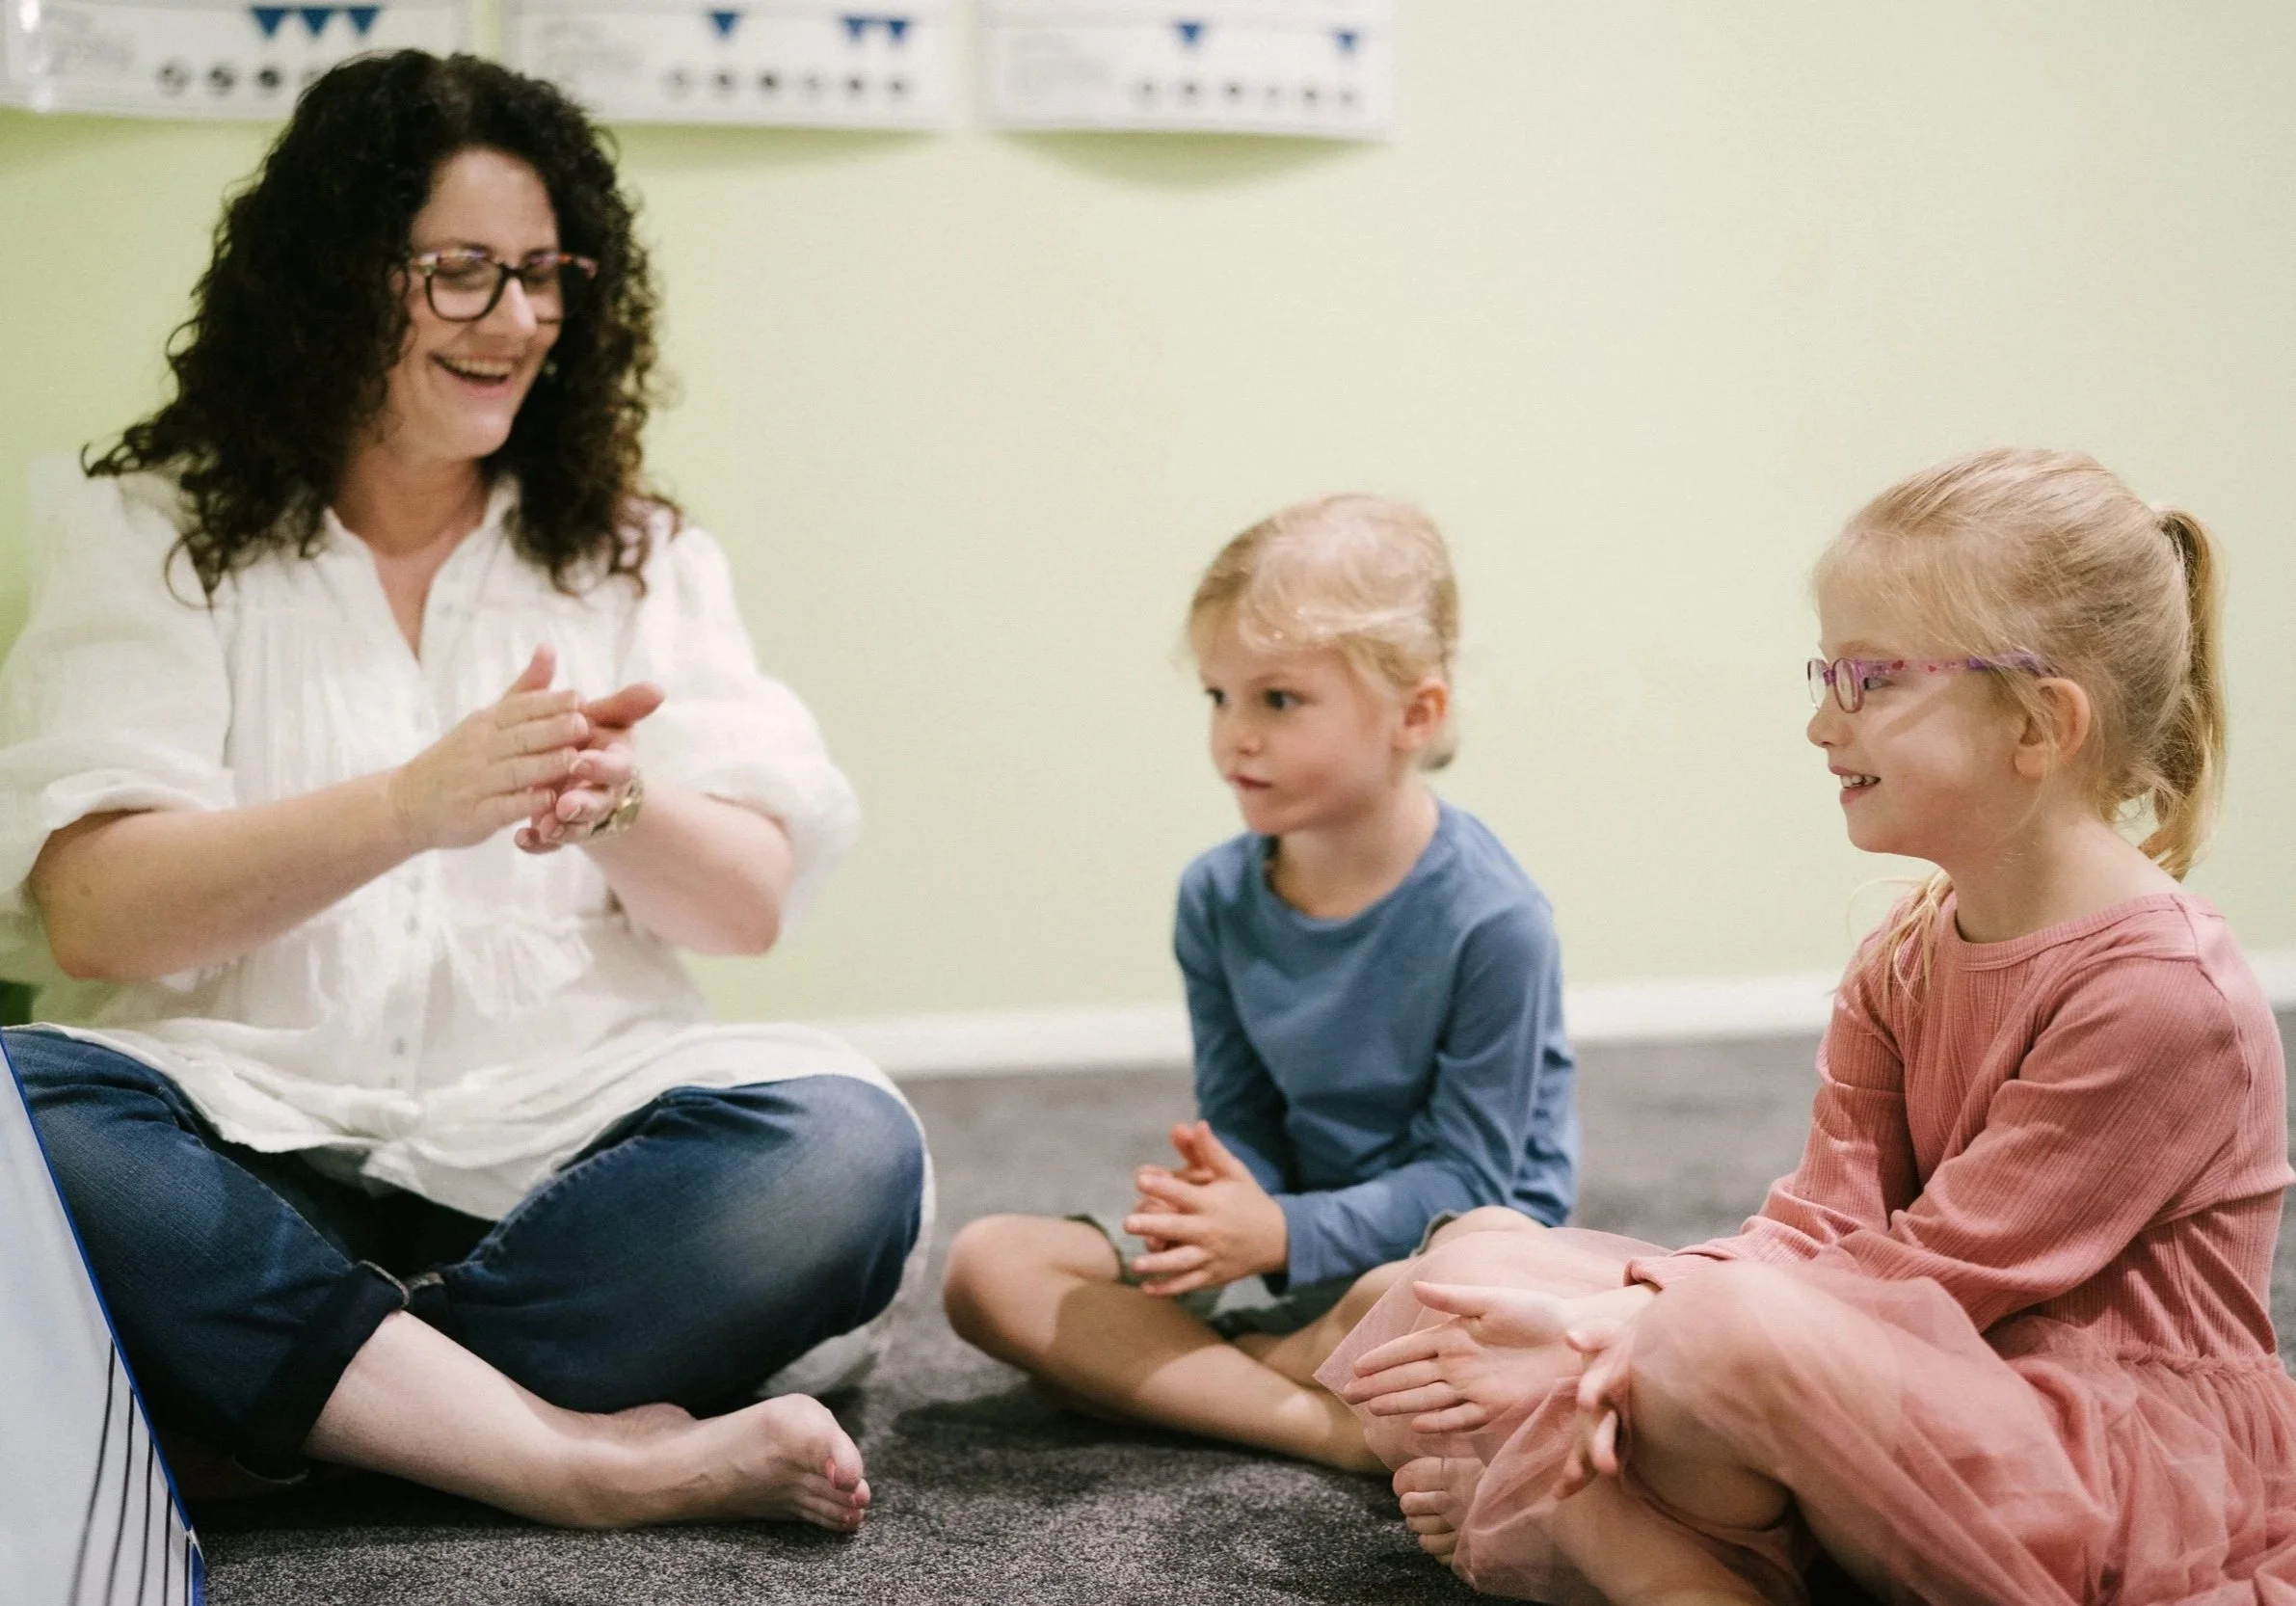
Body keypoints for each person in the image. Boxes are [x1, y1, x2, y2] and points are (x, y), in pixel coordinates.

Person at [0, 51, 927, 1532]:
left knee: (844, 1151)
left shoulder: (637, 554)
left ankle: (302, 1405)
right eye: (462, 272)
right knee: (20, 1113)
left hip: (555, 1151)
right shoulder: (152, 536)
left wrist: (625, 801)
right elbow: (100, 914)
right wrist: (409, 805)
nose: (518, 320)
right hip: (252, 1135)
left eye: (546, 273)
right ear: (333, 278)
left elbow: (747, 903)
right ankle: (566, 1454)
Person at [1322, 447, 2296, 1604]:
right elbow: (1822, 1224)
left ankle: (1660, 1560)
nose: (1820, 725)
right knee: (1467, 1266)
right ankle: (1674, 1529)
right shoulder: (1905, 951)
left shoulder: (2165, 991)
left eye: (1871, 682)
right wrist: (1616, 1315)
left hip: (2089, 1450)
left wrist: (1613, 1336)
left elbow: (1945, 1273)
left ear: (2040, 722)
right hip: (1912, 1371)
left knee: (1704, 1335)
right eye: (1824, 674)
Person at [941, 494, 1577, 1471]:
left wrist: (1280, 1230)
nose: (1235, 735)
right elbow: (1245, 1116)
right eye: (1217, 696)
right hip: (1289, 1241)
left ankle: (1209, 1373)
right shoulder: (1215, 895)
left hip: (1441, 1257)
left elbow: (1470, 1182)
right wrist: (1213, 1212)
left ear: (1417, 712)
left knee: (1457, 1291)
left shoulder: (1496, 921)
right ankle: (1317, 1416)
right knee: (990, 1267)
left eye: (1277, 699)